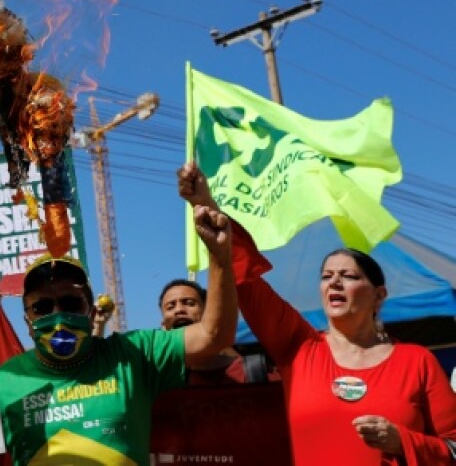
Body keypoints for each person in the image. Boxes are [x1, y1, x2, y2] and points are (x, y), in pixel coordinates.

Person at [0, 165, 234, 466]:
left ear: (91, 309)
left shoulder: (133, 354)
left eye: (71, 304)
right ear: (26, 318)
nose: (57, 316)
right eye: (42, 307)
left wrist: (219, 258)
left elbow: (214, 336)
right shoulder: (0, 383)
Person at [180, 160, 456, 465]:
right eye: (326, 276)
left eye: (349, 276)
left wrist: (402, 441)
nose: (334, 282)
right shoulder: (298, 347)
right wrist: (207, 205)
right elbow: (246, 281)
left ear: (379, 294)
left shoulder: (418, 362)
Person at [157, 278, 272, 384]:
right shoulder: (157, 384)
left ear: (209, 316)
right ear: (164, 327)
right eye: (170, 307)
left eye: (189, 303)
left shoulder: (253, 372)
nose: (179, 310)